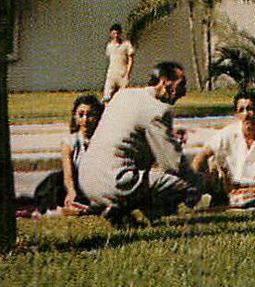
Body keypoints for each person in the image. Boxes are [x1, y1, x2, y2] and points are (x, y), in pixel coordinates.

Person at [78, 61, 210, 226]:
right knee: (184, 183)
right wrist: (199, 183)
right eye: (181, 85)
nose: (184, 92)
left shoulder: (123, 95)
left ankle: (118, 212)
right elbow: (172, 163)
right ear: (165, 83)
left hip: (86, 180)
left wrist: (167, 137)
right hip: (115, 183)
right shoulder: (159, 110)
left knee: (150, 176)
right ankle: (124, 207)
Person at [193, 88, 255, 208]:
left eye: (250, 109)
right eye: (241, 110)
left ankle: (241, 202)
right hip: (231, 187)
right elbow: (202, 155)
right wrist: (193, 179)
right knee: (211, 166)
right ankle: (218, 199)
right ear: (236, 115)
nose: (246, 115)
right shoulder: (228, 133)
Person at [30, 93, 103, 216]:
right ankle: (63, 209)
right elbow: (68, 174)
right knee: (54, 181)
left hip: (93, 184)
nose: (85, 119)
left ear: (97, 117)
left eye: (90, 115)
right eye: (81, 115)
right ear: (75, 116)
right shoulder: (69, 142)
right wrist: (71, 192)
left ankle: (74, 210)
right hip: (74, 184)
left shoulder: (103, 141)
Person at [102, 23, 136, 102]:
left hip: (122, 75)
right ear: (111, 34)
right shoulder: (109, 46)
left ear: (120, 33)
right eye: (114, 33)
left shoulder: (126, 44)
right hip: (111, 75)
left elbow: (131, 60)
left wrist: (127, 74)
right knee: (107, 96)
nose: (116, 35)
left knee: (123, 98)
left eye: (117, 33)